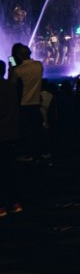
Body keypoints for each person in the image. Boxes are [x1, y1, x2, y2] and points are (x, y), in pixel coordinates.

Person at [10, 43, 46, 162]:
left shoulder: (18, 70)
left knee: (26, 131)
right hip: (36, 103)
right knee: (37, 129)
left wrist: (11, 66)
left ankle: (28, 154)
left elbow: (12, 84)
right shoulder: (39, 66)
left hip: (23, 104)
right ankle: (40, 152)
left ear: (19, 56)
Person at [0, 61, 24, 217]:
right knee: (11, 170)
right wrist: (12, 66)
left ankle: (1, 206)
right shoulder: (12, 87)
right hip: (11, 134)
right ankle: (14, 203)